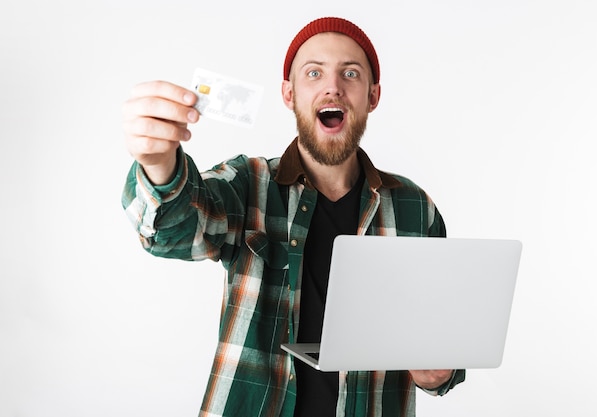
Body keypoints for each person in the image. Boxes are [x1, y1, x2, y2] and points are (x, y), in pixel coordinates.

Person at [122, 16, 465, 417]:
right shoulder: (247, 183)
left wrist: (439, 374)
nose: (332, 86)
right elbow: (175, 232)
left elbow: (443, 339)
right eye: (313, 72)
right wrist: (159, 167)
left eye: (350, 73)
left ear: (373, 96)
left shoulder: (415, 209)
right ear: (289, 93)